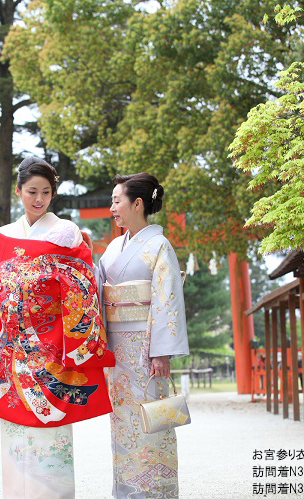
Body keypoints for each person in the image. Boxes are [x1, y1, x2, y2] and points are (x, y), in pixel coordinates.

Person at [0, 157, 115, 498]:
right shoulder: (4, 234)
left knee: (51, 433)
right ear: (18, 191)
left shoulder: (65, 232)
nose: (39, 199)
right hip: (11, 348)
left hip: (51, 347)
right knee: (15, 435)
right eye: (32, 191)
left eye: (46, 192)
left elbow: (83, 284)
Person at [96, 172, 189, 498]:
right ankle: (126, 491)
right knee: (123, 424)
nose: (112, 208)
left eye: (116, 201)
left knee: (152, 422)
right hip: (118, 353)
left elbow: (167, 297)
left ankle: (157, 491)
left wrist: (161, 351)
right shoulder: (113, 248)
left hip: (147, 350)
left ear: (137, 204)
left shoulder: (159, 245)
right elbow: (97, 285)